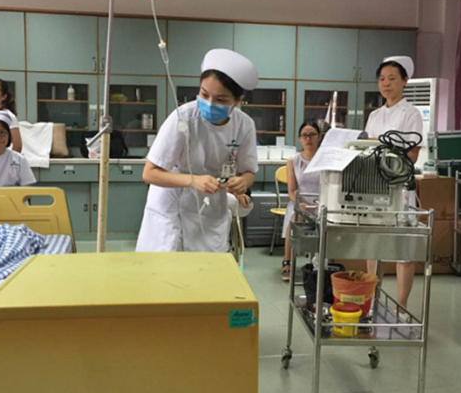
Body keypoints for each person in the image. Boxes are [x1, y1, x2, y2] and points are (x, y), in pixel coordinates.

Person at [136, 49, 259, 252]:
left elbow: (248, 172)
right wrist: (193, 180)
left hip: (211, 209)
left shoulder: (244, 125)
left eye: (221, 100)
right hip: (171, 210)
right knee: (169, 265)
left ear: (237, 101)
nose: (209, 104)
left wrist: (243, 183)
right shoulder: (183, 117)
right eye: (204, 94)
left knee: (207, 266)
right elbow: (149, 173)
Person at [364, 55, 423, 309]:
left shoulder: (411, 113)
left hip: (400, 188)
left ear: (405, 81)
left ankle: (401, 306)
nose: (386, 84)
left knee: (403, 249)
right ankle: (372, 300)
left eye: (392, 78)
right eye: (382, 79)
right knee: (373, 246)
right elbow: (366, 149)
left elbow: (413, 154)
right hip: (375, 187)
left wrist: (385, 152)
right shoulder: (375, 115)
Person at [280, 121, 322, 281]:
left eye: (312, 135)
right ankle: (287, 261)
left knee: (326, 221)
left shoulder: (326, 159)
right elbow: (291, 191)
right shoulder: (294, 160)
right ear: (299, 138)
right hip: (300, 202)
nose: (308, 139)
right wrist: (299, 204)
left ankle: (322, 261)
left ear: (319, 137)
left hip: (322, 202)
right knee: (295, 219)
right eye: (304, 135)